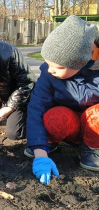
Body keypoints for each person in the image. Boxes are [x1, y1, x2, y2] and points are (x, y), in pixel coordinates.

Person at [25, 15, 99, 185]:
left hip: (94, 127)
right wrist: (40, 153)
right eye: (47, 64)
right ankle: (49, 143)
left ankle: (92, 149)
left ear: (79, 63)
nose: (50, 70)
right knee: (54, 116)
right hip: (70, 125)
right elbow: (36, 108)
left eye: (58, 66)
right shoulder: (49, 76)